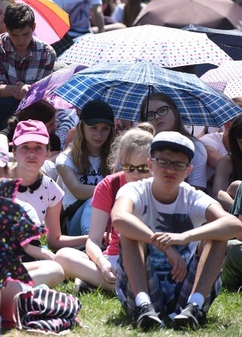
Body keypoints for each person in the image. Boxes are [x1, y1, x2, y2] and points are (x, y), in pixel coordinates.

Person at [111, 131, 242, 330]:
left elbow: (234, 225)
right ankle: (143, 306)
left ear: (188, 170)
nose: (170, 169)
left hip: (185, 285)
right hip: (144, 281)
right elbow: (119, 218)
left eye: (178, 164)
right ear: (151, 163)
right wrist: (165, 246)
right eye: (163, 162)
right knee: (129, 233)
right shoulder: (134, 190)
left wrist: (185, 236)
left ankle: (194, 307)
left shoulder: (193, 196)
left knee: (217, 235)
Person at [54, 128, 154, 294]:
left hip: (150, 258)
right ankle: (125, 286)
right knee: (62, 256)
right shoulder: (110, 185)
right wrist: (102, 263)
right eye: (129, 167)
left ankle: (101, 283)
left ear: (153, 164)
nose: (135, 174)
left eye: (143, 168)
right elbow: (93, 240)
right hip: (114, 257)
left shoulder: (161, 185)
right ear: (120, 162)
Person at [10, 120, 87, 254]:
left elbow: (54, 241)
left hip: (32, 254)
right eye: (25, 147)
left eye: (38, 147)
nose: (32, 153)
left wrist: (91, 238)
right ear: (14, 152)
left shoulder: (51, 189)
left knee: (68, 257)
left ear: (47, 153)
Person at [0, 3, 56, 134]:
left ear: (33, 27)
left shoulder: (47, 52)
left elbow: (42, 92)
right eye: (15, 35)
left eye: (25, 34)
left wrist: (28, 92)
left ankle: (9, 134)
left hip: (32, 106)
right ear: (7, 29)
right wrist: (20, 90)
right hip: (3, 104)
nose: (21, 40)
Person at [56, 100, 116, 236]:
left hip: (110, 217)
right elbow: (78, 190)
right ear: (82, 127)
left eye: (105, 128)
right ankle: (92, 245)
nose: (99, 134)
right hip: (75, 223)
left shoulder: (117, 158)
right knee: (93, 201)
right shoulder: (66, 159)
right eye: (93, 127)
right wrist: (112, 189)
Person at [141, 92, 208, 190]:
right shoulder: (140, 147)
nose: (157, 117)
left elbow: (196, 190)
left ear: (175, 113)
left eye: (163, 110)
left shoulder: (196, 147)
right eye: (150, 114)